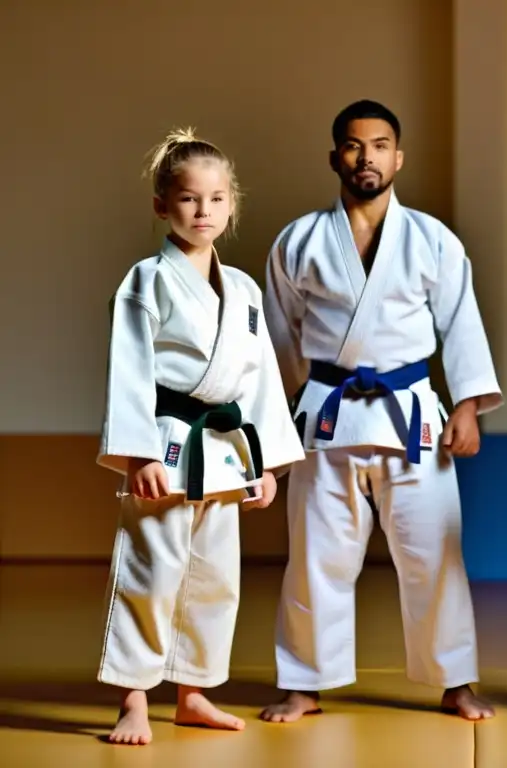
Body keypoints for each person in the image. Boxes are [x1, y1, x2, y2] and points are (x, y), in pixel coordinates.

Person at [259, 100, 503, 723]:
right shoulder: (300, 240)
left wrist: (469, 406)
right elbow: (279, 337)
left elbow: (462, 326)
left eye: (379, 144)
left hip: (411, 412)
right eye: (353, 144)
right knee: (316, 554)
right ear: (334, 156)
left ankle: (455, 681)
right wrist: (281, 412)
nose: (365, 156)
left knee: (434, 555)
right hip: (326, 413)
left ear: (399, 156)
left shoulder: (432, 240)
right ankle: (304, 683)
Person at [95, 128, 306, 746]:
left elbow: (260, 378)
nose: (203, 211)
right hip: (164, 441)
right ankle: (133, 699)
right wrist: (136, 455)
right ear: (163, 205)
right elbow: (128, 366)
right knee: (151, 571)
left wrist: (265, 463)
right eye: (189, 199)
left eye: (216, 199)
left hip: (223, 450)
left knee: (215, 577)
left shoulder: (241, 288)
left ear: (231, 205)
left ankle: (193, 691)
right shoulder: (147, 280)